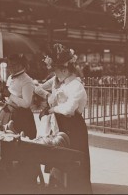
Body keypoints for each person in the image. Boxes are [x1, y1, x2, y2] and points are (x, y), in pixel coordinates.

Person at [34, 43, 92, 194]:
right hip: (61, 125)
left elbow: (69, 109)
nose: (55, 74)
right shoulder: (58, 81)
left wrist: (52, 108)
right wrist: (46, 94)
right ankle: (59, 188)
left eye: (57, 71)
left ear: (65, 69)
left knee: (74, 159)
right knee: (59, 156)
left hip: (73, 127)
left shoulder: (76, 86)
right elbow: (40, 87)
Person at [0, 54, 38, 193]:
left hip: (21, 119)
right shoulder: (10, 77)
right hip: (6, 114)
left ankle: (18, 185)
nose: (10, 68)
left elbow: (26, 104)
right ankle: (1, 184)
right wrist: (3, 100)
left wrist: (10, 95)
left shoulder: (27, 81)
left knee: (17, 151)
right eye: (9, 65)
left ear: (21, 65)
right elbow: (9, 98)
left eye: (13, 65)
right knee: (1, 147)